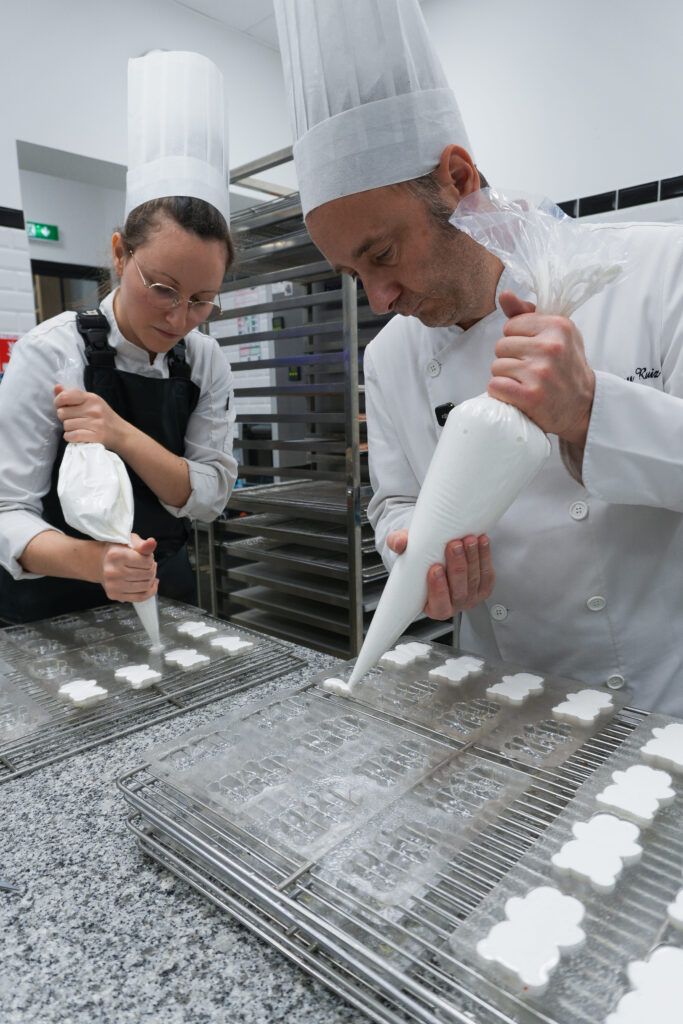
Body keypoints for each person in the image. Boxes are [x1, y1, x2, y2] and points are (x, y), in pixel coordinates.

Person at [275, 0, 683, 716]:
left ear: (457, 177)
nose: (378, 298)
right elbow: (394, 500)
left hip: (656, 701)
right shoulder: (392, 357)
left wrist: (590, 412)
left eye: (382, 254)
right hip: (494, 702)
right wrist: (411, 558)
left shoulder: (656, 270)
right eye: (352, 275)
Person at [0, 51, 237, 623]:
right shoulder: (49, 353)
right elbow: (7, 512)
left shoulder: (205, 362)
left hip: (165, 588)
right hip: (53, 604)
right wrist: (96, 562)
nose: (180, 318)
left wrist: (121, 434)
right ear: (117, 253)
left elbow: (208, 497)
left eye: (202, 300)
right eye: (162, 288)